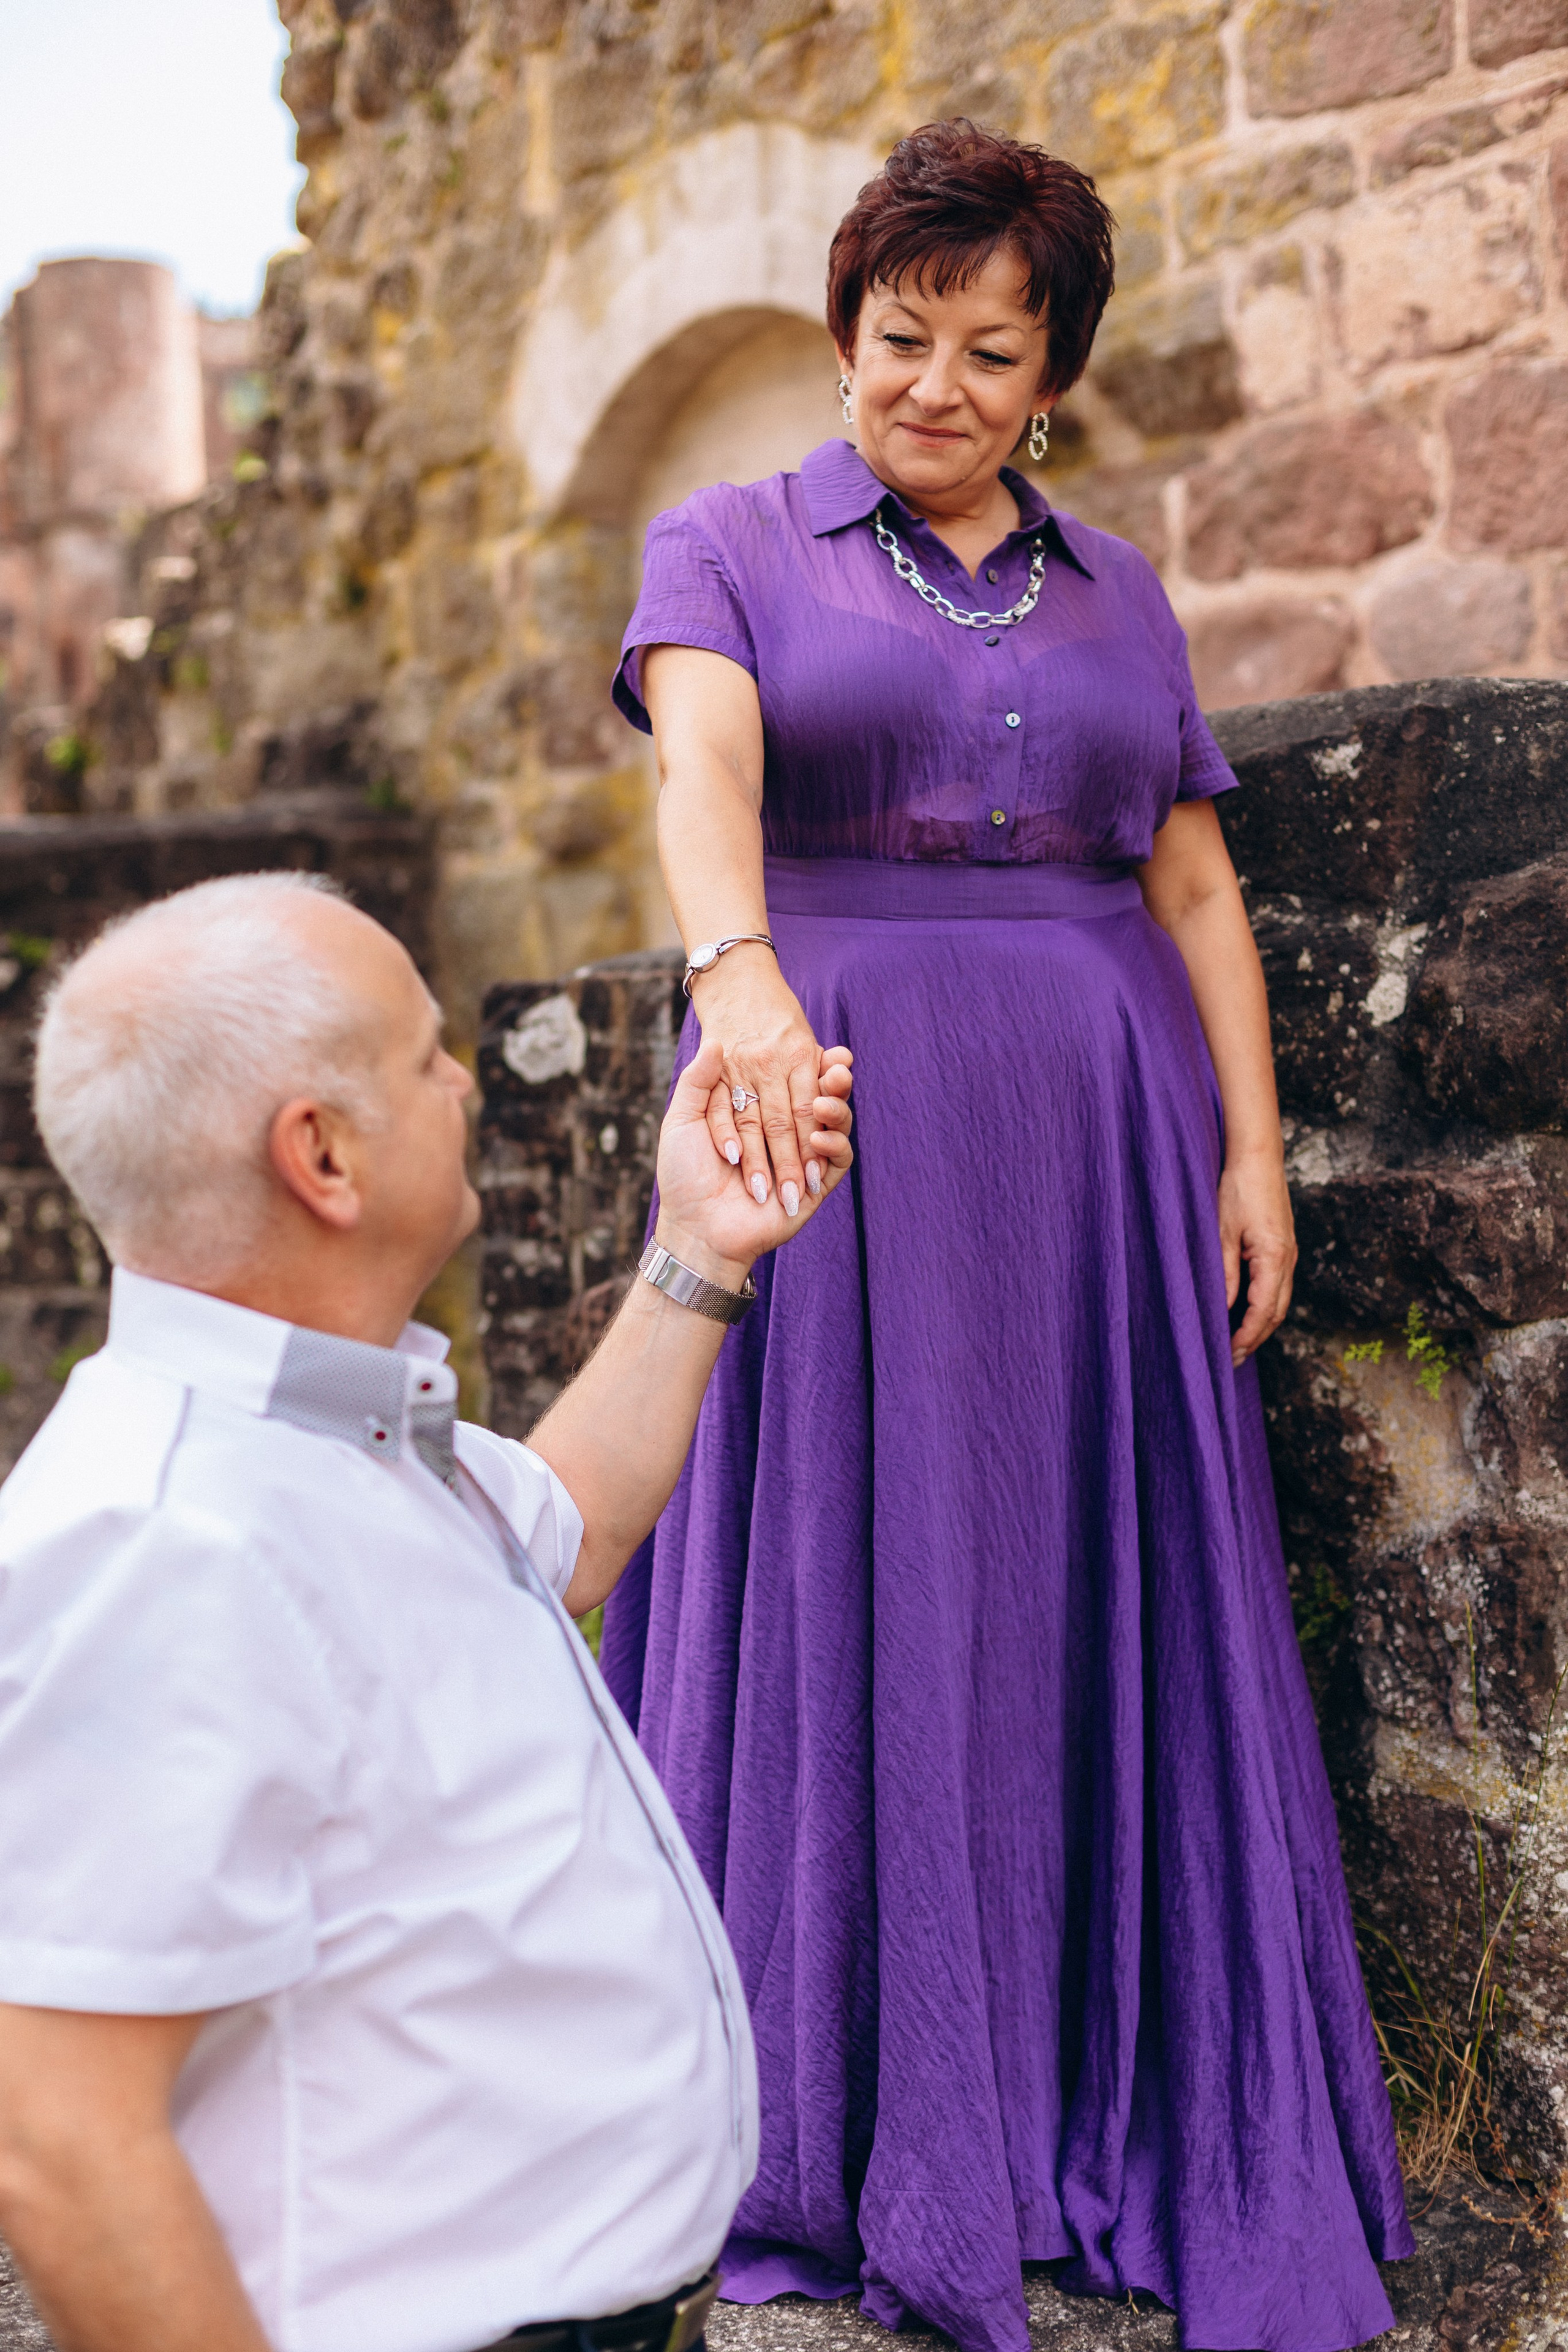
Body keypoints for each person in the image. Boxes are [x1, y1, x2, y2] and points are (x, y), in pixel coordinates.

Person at [598, 117, 1415, 2352]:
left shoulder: (1120, 593)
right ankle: (836, 2114)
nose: (935, 387)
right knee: (855, 1575)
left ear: (1049, 370)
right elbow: (702, 776)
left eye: (989, 351)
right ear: (841, 331)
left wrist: (1252, 1157)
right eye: (898, 338)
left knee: (1070, 1580)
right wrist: (735, 974)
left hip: (1097, 1140)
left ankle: (1090, 2086)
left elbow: (1195, 885)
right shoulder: (732, 540)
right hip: (826, 1113)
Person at [0, 871, 854, 2352]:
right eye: (423, 1054)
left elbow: (567, 1528)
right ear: (319, 1155)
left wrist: (702, 1244)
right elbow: (60, 2139)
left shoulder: (341, 1428)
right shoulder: (162, 1537)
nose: (464, 1078)